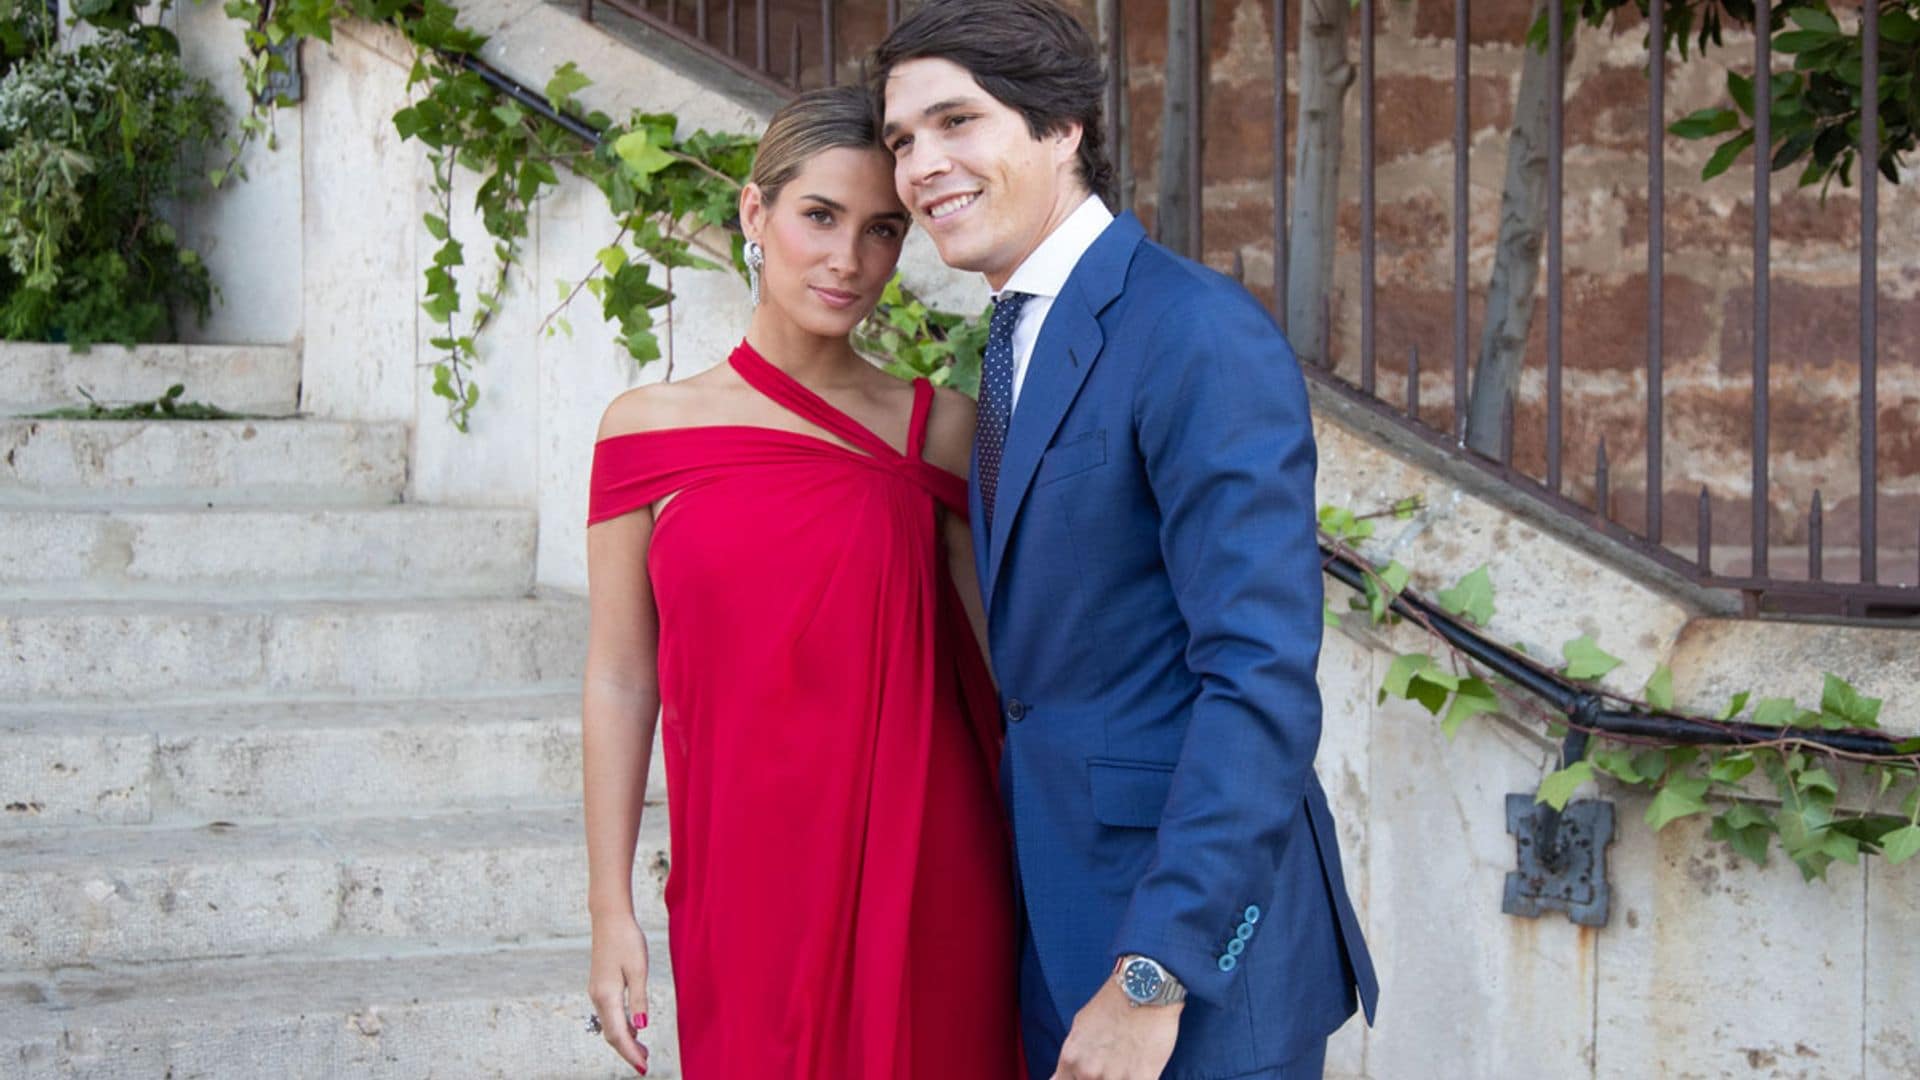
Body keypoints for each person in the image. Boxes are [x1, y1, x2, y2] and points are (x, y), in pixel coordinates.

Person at [876, 3, 1380, 1078]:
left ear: (1061, 127)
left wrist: (1155, 972)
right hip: (1061, 926)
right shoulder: (1015, 339)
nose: (922, 166)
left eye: (956, 122)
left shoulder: (1193, 329)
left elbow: (1259, 678)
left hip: (1185, 963)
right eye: (901, 141)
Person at [579, 85, 1022, 1079]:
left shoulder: (939, 429)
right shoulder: (644, 432)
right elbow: (618, 678)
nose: (847, 261)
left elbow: (1003, 670)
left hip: (926, 867)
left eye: (881, 231)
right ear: (754, 212)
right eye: (819, 216)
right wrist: (611, 908)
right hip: (742, 876)